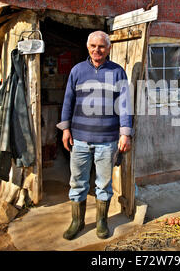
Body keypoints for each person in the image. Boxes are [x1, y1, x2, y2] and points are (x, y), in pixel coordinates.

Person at [56, 31, 132, 240]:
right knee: (78, 182)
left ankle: (101, 222)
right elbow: (68, 101)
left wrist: (125, 133)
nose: (97, 50)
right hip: (79, 139)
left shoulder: (117, 72)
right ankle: (77, 222)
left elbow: (125, 106)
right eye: (93, 46)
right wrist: (65, 129)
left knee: (103, 184)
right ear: (87, 47)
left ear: (108, 48)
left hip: (107, 141)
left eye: (101, 46)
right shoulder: (77, 70)